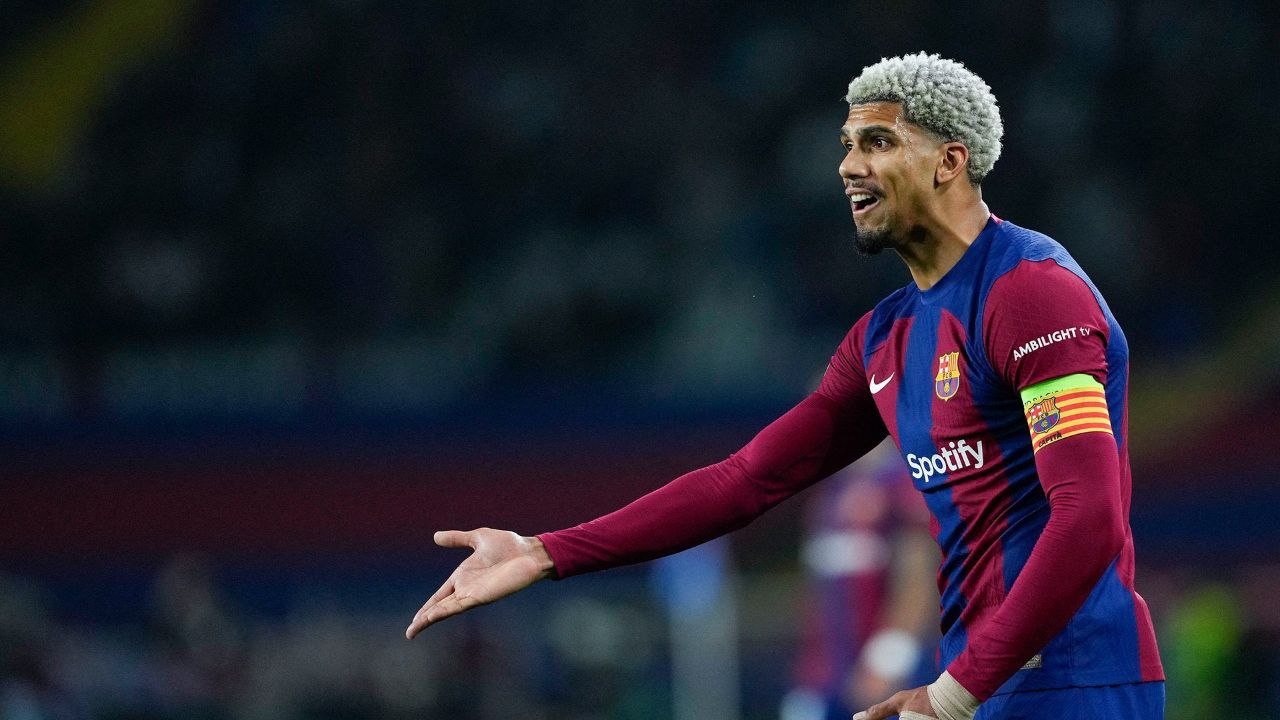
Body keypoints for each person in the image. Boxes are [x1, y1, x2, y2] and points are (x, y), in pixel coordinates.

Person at [406, 53, 1164, 719]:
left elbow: (1089, 515)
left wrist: (953, 692)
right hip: (978, 685)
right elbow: (747, 480)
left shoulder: (1030, 293)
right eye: (847, 145)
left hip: (1076, 681)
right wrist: (544, 552)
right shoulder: (885, 336)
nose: (848, 167)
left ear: (949, 161)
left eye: (877, 142)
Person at [783, 440, 937, 720]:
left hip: (883, 675)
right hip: (827, 675)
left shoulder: (902, 482)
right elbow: (818, 589)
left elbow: (919, 578)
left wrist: (886, 659)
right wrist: (808, 673)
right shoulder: (830, 489)